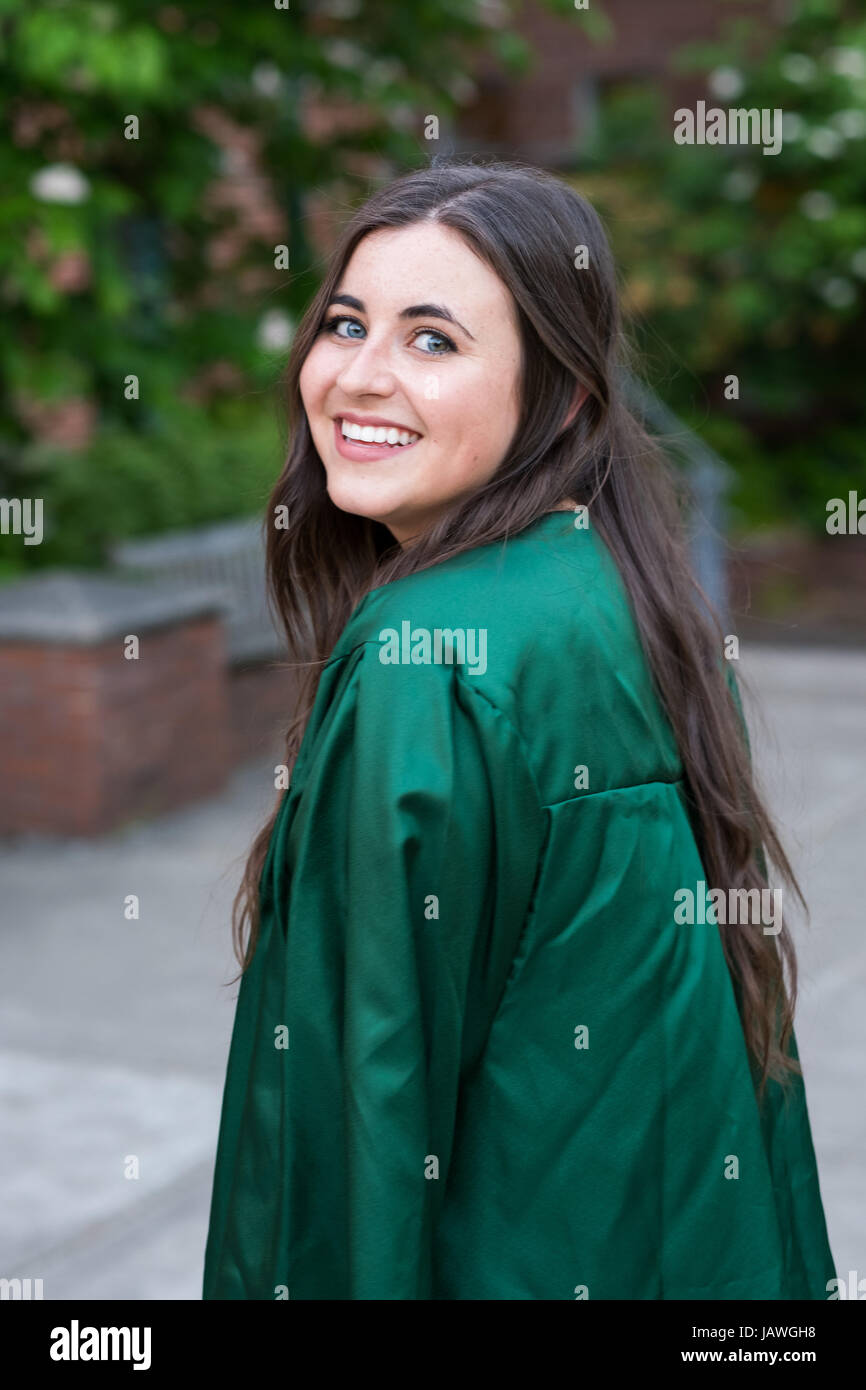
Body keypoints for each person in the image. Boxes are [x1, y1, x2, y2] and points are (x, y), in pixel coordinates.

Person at [202, 160, 835, 1300]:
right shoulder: (629, 601)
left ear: (564, 396)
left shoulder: (428, 660)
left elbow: (362, 1128)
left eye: (432, 341)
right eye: (346, 324)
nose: (358, 376)